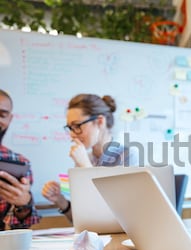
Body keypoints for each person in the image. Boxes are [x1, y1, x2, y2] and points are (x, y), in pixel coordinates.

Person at [42, 93, 138, 222]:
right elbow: (83, 220)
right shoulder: (86, 158)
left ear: (100, 121)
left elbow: (116, 218)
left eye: (77, 126)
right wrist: (60, 201)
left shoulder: (128, 156)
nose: (72, 135)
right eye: (70, 128)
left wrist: (86, 167)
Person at [0, 89, 40, 230]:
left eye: (2, 115)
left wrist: (23, 204)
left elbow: (21, 227)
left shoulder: (18, 163)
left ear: (9, 119)